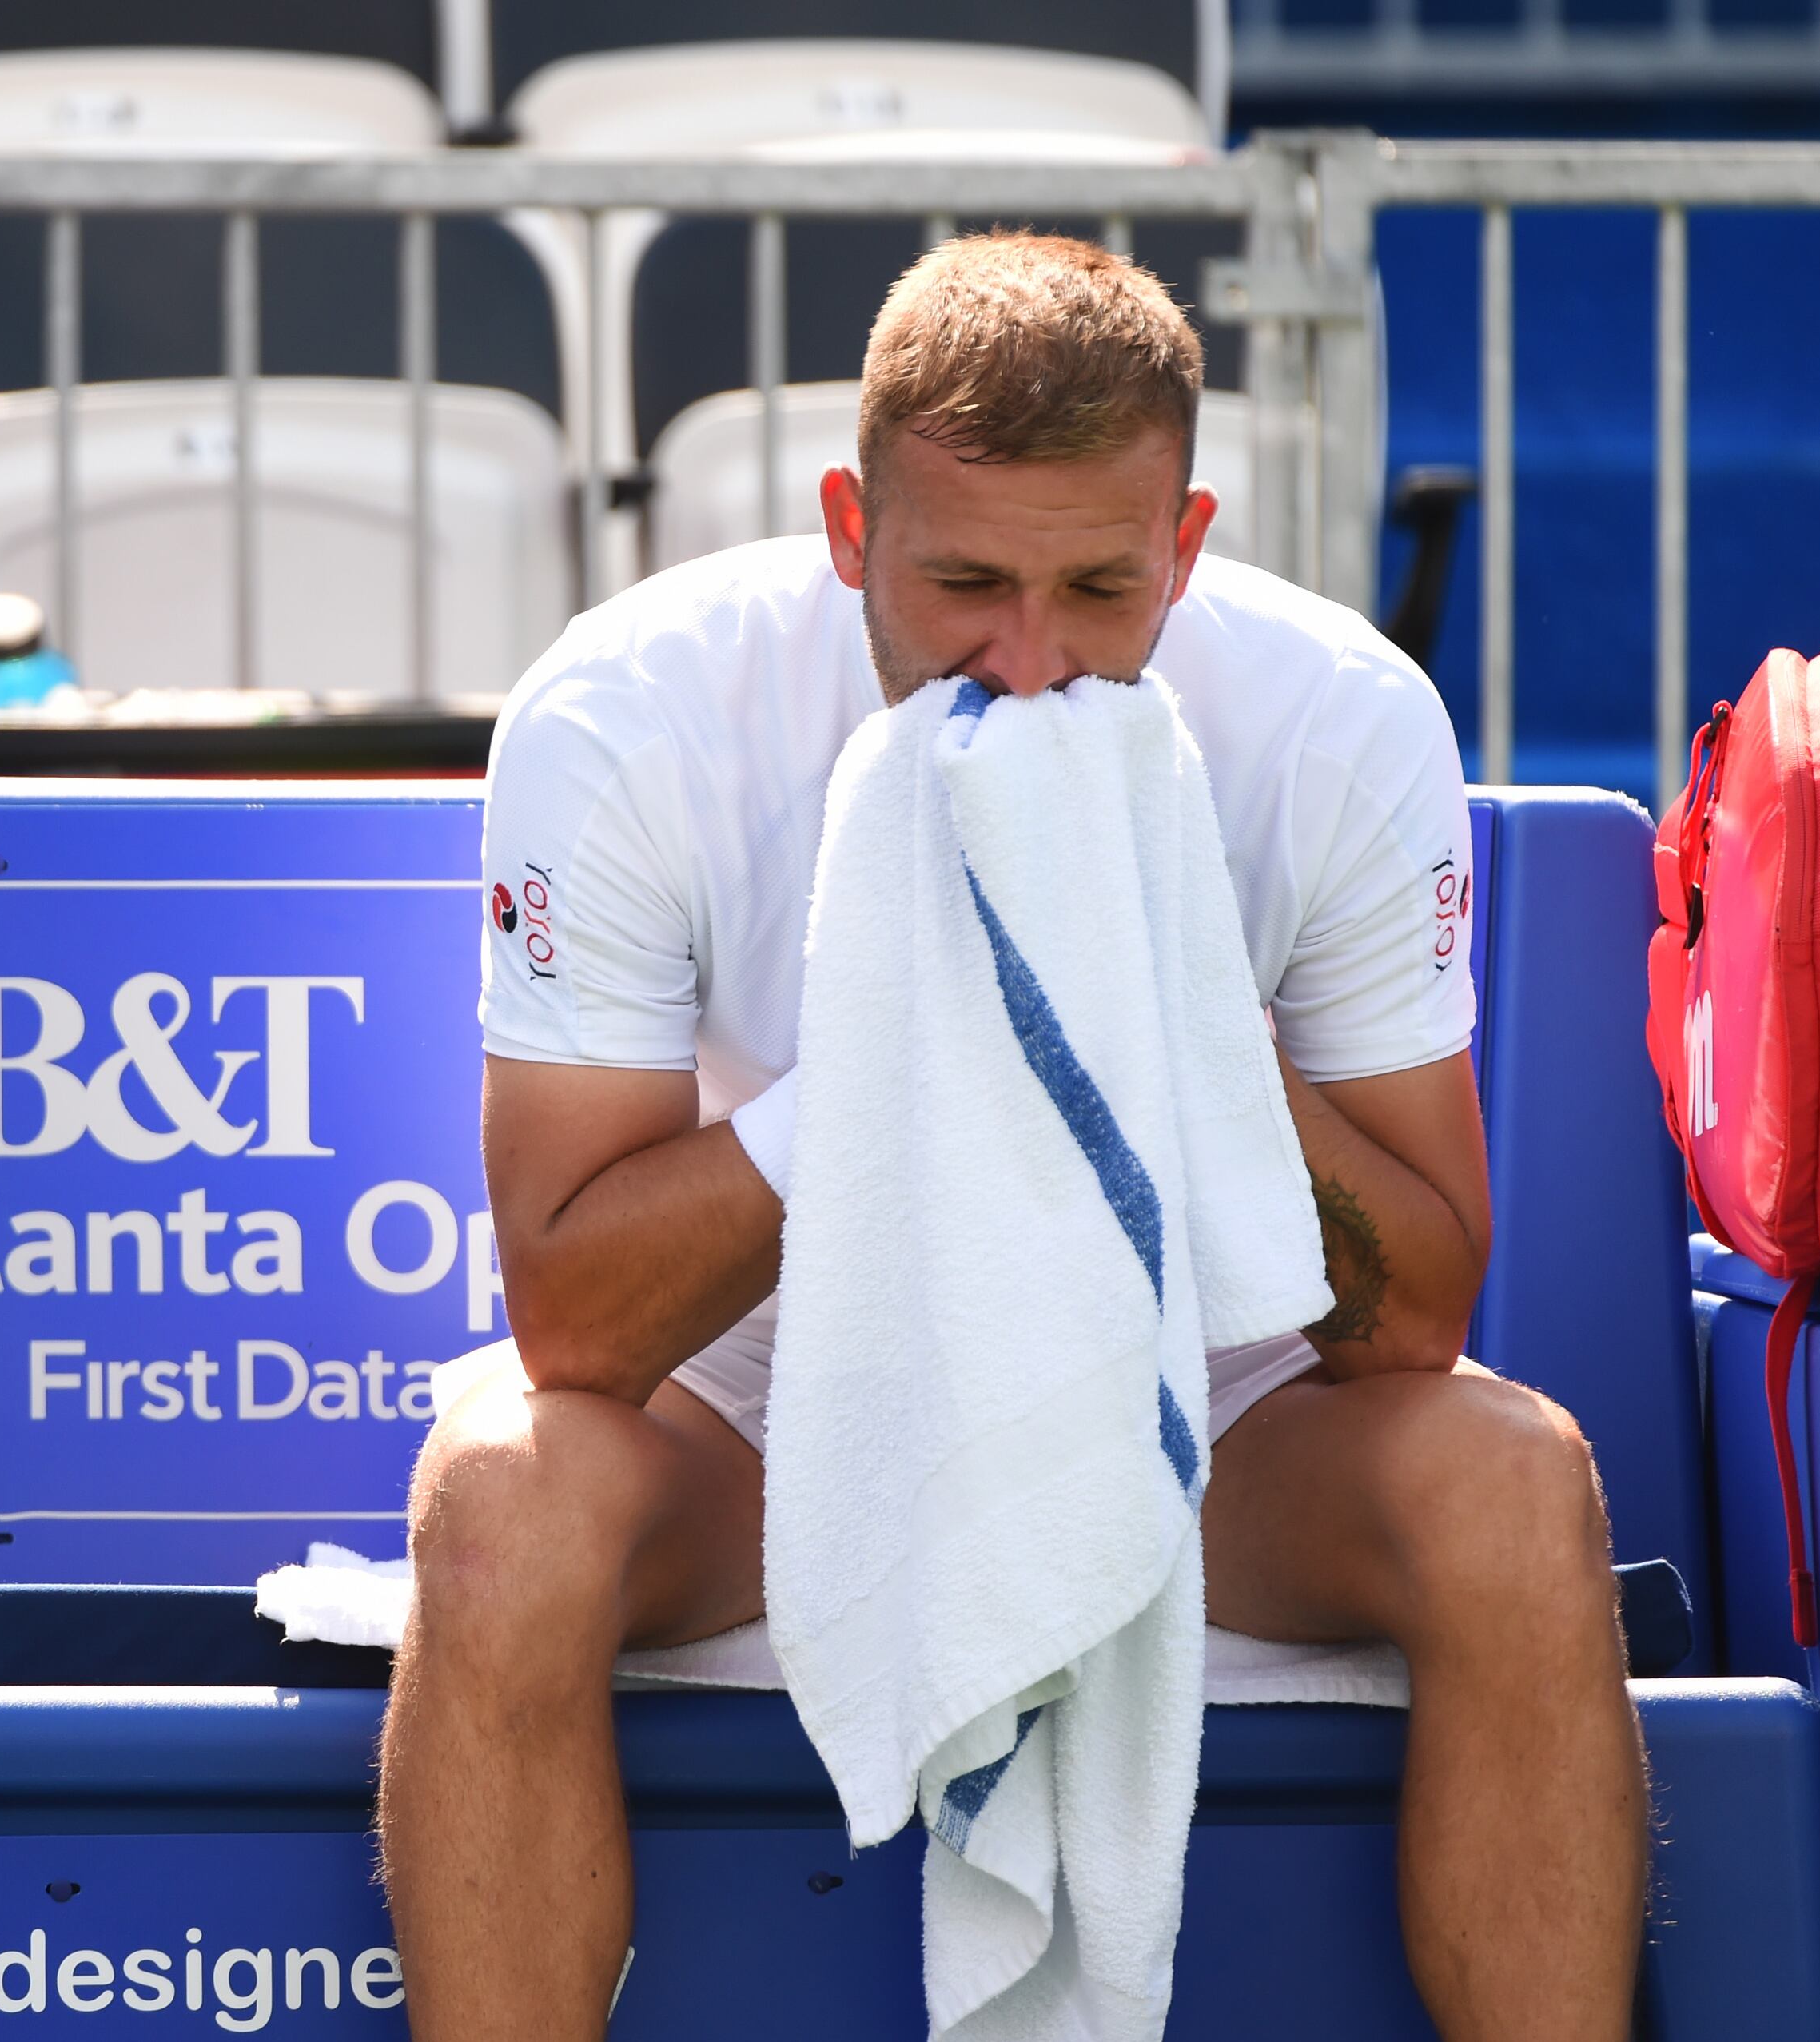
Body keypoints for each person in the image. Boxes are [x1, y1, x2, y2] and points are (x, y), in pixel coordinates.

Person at [380, 232, 1646, 2042]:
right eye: (963, 582)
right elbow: (574, 1319)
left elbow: (1415, 1312)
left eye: (1101, 595)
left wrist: (1169, 1008)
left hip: (1198, 1413)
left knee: (1519, 1488)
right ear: (848, 530)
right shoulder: (630, 708)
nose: (1028, 664)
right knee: (498, 1497)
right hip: (752, 1421)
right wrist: (909, 1042)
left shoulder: (1344, 719)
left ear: (1185, 550)